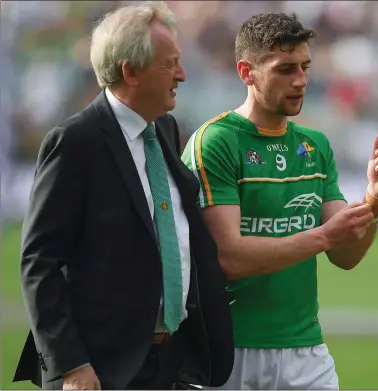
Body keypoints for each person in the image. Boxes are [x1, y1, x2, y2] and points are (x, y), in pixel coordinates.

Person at [13, 2, 233, 390]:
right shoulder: (75, 142)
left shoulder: (163, 128)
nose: (181, 75)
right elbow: (39, 262)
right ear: (130, 72)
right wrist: (71, 366)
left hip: (170, 364)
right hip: (102, 373)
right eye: (170, 64)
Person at [181, 12, 378, 390]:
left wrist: (374, 201)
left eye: (304, 66)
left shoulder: (314, 145)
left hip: (306, 351)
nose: (300, 80)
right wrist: (323, 237)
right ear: (245, 72)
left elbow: (345, 256)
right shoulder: (215, 142)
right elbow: (229, 258)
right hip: (230, 351)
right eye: (285, 69)